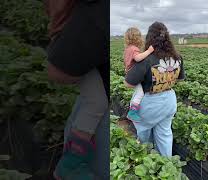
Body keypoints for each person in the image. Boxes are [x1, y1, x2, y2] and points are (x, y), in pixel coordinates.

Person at [45, 0, 109, 179]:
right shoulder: (96, 12)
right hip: (77, 54)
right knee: (96, 102)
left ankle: (71, 162)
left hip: (84, 57)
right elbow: (58, 70)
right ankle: (70, 163)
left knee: (95, 102)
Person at [124, 22, 185, 156]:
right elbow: (179, 79)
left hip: (151, 103)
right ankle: (166, 167)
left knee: (144, 133)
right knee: (164, 134)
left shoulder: (147, 60)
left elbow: (128, 83)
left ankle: (148, 163)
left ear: (150, 39)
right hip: (169, 100)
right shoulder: (177, 57)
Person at [123, 27, 154, 122]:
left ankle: (133, 109)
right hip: (134, 75)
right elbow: (137, 58)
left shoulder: (128, 48)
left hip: (130, 73)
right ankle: (132, 113)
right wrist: (149, 51)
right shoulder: (134, 49)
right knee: (140, 93)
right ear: (137, 38)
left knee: (137, 92)